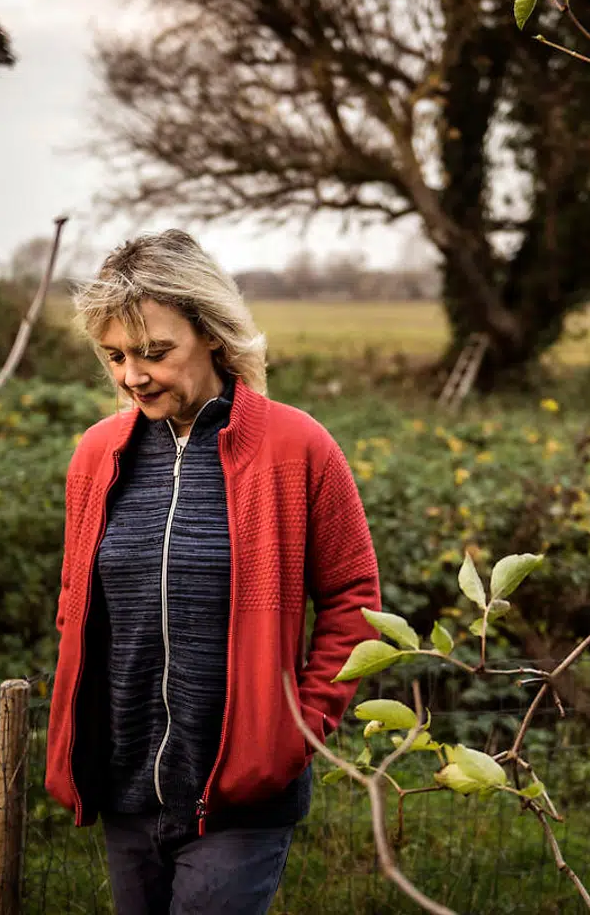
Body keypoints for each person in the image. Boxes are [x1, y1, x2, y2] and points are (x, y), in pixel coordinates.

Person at [44, 230, 380, 914]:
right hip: (126, 790)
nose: (132, 375)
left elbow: (354, 602)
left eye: (155, 352)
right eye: (115, 356)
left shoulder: (298, 448)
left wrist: (298, 729)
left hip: (242, 796)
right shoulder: (96, 456)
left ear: (214, 336)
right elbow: (76, 599)